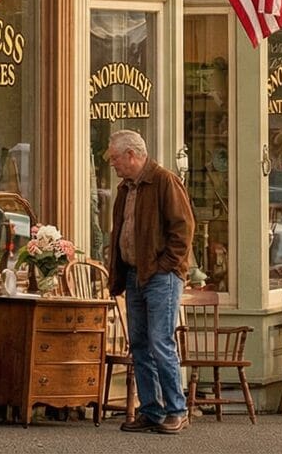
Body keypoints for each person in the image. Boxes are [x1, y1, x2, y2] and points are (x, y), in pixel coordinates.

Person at [105, 130, 196, 434]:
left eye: (115, 158)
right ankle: (151, 410)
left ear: (131, 155)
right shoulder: (126, 188)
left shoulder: (163, 181)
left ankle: (176, 409)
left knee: (160, 342)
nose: (113, 164)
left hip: (159, 276)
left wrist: (164, 266)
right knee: (140, 345)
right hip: (134, 274)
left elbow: (183, 230)